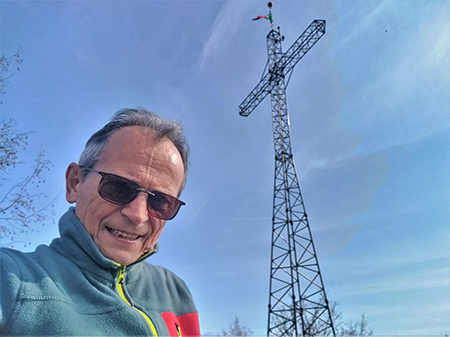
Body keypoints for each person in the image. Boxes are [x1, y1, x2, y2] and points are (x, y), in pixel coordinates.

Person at [0, 108, 200, 336]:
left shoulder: (175, 291)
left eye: (161, 202)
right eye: (118, 186)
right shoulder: (12, 278)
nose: (138, 215)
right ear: (75, 183)